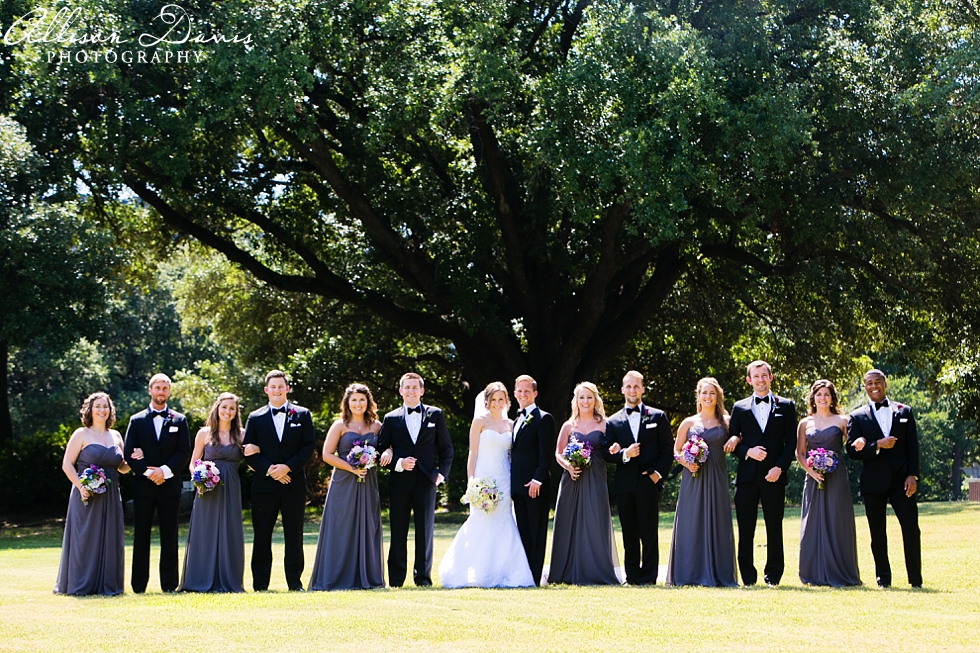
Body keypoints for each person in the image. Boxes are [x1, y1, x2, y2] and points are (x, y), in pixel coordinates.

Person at [439, 382, 535, 588]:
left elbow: (512, 455)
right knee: (481, 521)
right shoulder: (479, 422)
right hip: (483, 476)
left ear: (507, 401)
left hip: (504, 479)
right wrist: (472, 481)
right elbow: (473, 453)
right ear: (487, 402)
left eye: (501, 399)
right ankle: (473, 569)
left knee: (504, 520)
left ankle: (505, 571)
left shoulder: (511, 424)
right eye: (494, 400)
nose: (497, 404)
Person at [846, 369, 922, 588]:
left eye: (877, 382)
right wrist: (876, 445)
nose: (874, 386)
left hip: (902, 480)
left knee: (910, 528)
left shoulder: (904, 411)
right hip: (873, 481)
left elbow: (912, 447)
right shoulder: (857, 416)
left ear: (885, 383)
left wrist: (912, 475)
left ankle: (915, 580)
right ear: (864, 387)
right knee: (877, 532)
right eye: (869, 383)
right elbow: (852, 452)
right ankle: (883, 579)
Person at [309, 383, 388, 591]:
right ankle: (336, 576)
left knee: (367, 525)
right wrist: (351, 468)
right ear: (347, 402)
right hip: (344, 482)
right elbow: (327, 455)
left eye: (362, 399)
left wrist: (387, 452)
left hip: (367, 482)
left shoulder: (377, 426)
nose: (358, 403)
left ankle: (366, 576)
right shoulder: (340, 425)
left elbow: (387, 448)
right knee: (341, 525)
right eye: (354, 400)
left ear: (368, 402)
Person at [378, 372, 454, 587]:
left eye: (415, 387)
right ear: (400, 391)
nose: (411, 391)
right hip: (399, 482)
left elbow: (446, 449)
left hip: (426, 480)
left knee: (424, 531)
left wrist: (441, 474)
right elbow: (381, 450)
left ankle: (422, 578)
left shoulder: (435, 415)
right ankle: (395, 580)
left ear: (422, 391)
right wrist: (398, 463)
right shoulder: (391, 418)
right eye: (407, 387)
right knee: (398, 530)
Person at [242, 370, 317, 591]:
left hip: (293, 484)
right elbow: (248, 451)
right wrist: (271, 470)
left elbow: (308, 447)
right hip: (264, 486)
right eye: (272, 386)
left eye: (280, 386)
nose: (277, 390)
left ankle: (295, 583)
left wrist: (287, 468)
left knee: (294, 535)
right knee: (262, 535)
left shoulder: (302, 415)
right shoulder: (255, 417)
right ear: (266, 390)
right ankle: (260, 585)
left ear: (287, 388)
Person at [725, 360, 797, 586]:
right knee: (746, 529)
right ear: (749, 380)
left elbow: (791, 443)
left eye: (764, 375)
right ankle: (747, 577)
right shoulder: (739, 407)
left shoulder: (786, 405)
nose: (760, 380)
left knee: (774, 527)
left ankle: (773, 576)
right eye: (756, 376)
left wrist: (780, 467)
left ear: (771, 377)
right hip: (746, 478)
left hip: (774, 476)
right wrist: (748, 451)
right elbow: (732, 443)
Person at [54, 392, 130, 595]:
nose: (102, 410)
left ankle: (107, 584)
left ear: (110, 410)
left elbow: (121, 467)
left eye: (105, 406)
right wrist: (81, 486)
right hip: (86, 494)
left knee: (110, 537)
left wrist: (133, 460)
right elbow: (67, 465)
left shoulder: (116, 436)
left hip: (111, 495)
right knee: (85, 538)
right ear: (90, 409)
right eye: (98, 406)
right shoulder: (81, 434)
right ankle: (81, 584)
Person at [665, 378, 737, 587]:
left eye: (712, 393)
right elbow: (676, 451)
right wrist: (686, 462)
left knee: (718, 519)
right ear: (698, 396)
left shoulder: (726, 421)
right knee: (692, 520)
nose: (708, 397)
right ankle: (689, 572)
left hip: (716, 476)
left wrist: (735, 439)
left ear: (718, 396)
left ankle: (718, 572)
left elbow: (739, 437)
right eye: (704, 393)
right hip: (693, 476)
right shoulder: (688, 422)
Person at [604, 370, 673, 585]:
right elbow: (608, 453)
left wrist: (657, 474)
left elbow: (667, 449)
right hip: (625, 485)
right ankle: (632, 577)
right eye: (628, 386)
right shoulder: (613, 421)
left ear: (643, 389)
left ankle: (650, 577)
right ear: (622, 389)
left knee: (649, 531)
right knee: (629, 533)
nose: (632, 390)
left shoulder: (657, 416)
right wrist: (624, 453)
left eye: (636, 386)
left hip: (648, 482)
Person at [124, 373, 191, 593]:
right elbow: (129, 452)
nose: (161, 392)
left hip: (169, 486)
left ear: (169, 392)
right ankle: (138, 585)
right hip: (144, 487)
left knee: (170, 536)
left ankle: (169, 584)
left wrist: (163, 471)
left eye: (165, 388)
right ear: (150, 390)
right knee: (141, 535)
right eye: (157, 388)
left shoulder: (179, 420)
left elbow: (183, 452)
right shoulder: (136, 420)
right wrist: (147, 472)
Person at [548, 382, 621, 585]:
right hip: (573, 478)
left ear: (595, 400)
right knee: (568, 520)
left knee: (595, 520)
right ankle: (565, 572)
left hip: (596, 476)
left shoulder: (605, 424)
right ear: (576, 400)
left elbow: (611, 449)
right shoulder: (568, 425)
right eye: (582, 397)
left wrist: (615, 449)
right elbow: (558, 453)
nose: (585, 401)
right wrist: (568, 467)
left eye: (589, 397)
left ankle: (596, 572)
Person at [178, 392, 245, 592]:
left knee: (230, 528)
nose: (228, 411)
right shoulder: (203, 434)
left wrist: (256, 450)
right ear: (217, 408)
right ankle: (200, 578)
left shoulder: (242, 434)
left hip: (231, 486)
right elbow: (193, 462)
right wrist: (199, 475)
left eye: (232, 408)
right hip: (207, 488)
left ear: (235, 412)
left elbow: (251, 459)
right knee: (205, 529)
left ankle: (228, 579)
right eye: (224, 407)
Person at [796, 379, 861, 587]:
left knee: (837, 520)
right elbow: (799, 452)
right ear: (813, 398)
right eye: (819, 394)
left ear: (832, 398)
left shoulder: (842, 420)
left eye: (826, 394)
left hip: (836, 477)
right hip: (813, 478)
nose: (823, 398)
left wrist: (860, 441)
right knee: (812, 522)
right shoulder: (805, 423)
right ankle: (813, 572)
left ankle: (841, 571)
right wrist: (811, 471)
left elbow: (851, 446)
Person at [510, 374, 556, 586]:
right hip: (517, 486)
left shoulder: (543, 418)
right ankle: (525, 574)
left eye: (527, 391)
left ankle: (535, 577)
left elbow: (545, 454)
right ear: (515, 393)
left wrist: (537, 479)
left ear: (535, 393)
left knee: (537, 532)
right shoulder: (516, 419)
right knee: (524, 532)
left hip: (535, 486)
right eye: (519, 391)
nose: (523, 394)